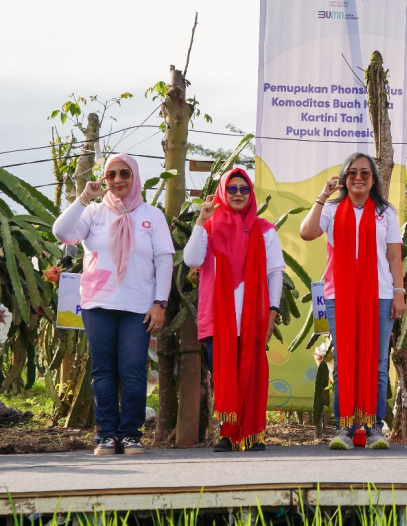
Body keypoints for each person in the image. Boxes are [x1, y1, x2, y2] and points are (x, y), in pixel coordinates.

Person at [53, 153, 174, 456]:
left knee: (133, 370)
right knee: (104, 372)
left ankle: (130, 435)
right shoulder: (93, 213)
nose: (118, 180)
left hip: (138, 306)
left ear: (135, 177)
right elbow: (62, 233)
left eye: (124, 174)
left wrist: (160, 302)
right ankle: (106, 436)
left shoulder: (152, 215)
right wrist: (83, 198)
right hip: (98, 304)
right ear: (105, 179)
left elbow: (164, 260)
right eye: (111, 175)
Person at [299, 153, 405, 450]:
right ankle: (344, 428)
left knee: (378, 364)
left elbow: (394, 256)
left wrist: (399, 292)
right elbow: (306, 233)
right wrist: (323, 195)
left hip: (380, 295)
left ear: (374, 180)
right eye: (352, 173)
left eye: (365, 173)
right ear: (345, 178)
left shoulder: (387, 213)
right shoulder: (332, 210)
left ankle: (373, 428)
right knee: (345, 363)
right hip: (339, 296)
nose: (359, 178)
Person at [184, 168, 285, 452]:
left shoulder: (264, 229)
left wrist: (273, 312)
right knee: (225, 376)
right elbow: (192, 258)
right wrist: (202, 221)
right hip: (218, 318)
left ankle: (253, 435)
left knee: (252, 375)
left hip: (254, 316)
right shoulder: (210, 226)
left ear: (250, 193)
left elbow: (275, 273)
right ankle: (229, 434)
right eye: (232, 189)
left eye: (244, 189)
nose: (238, 194)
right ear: (222, 192)